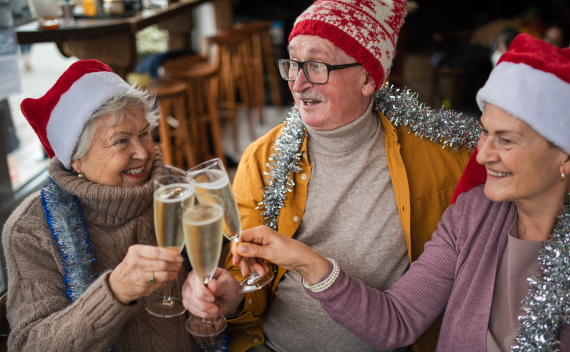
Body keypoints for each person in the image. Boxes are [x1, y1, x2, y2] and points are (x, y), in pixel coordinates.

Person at [233, 33, 570, 351]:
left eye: (505, 140)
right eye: (485, 131)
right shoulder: (471, 216)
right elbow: (397, 321)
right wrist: (307, 262)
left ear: (567, 157)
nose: (483, 153)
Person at [182, 0, 474, 351]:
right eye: (292, 63)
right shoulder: (263, 157)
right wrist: (232, 299)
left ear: (368, 77)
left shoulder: (444, 156)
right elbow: (247, 277)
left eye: (317, 65)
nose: (299, 82)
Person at [2, 60, 196, 351]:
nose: (142, 152)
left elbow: (225, 292)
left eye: (144, 133)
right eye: (121, 141)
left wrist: (220, 310)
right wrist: (114, 292)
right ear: (76, 159)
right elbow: (28, 344)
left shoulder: (179, 189)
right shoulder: (31, 230)